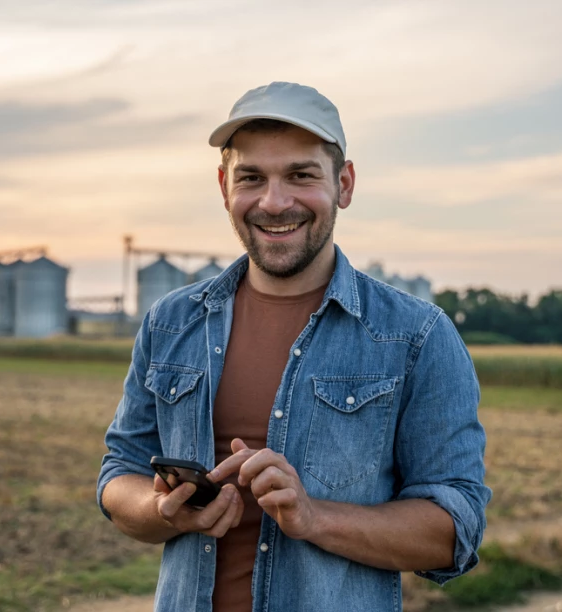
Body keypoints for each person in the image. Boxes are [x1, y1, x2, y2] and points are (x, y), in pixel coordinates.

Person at [98, 81, 491, 612]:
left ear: (344, 184)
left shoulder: (416, 335)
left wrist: (314, 518)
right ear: (223, 187)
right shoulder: (171, 323)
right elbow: (119, 476)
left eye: (301, 176)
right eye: (251, 178)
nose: (274, 202)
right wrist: (166, 511)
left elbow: (456, 529)